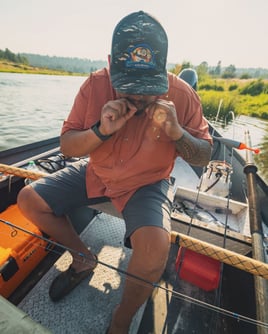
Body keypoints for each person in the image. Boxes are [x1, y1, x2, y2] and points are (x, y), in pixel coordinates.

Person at [17, 10, 212, 334]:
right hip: (98, 172)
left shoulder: (182, 94)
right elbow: (67, 145)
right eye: (128, 87)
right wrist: (100, 131)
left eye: (147, 88)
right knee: (28, 199)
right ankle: (83, 258)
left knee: (154, 249)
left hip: (149, 183)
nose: (138, 98)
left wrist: (178, 132)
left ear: (163, 69)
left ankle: (122, 318)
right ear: (111, 64)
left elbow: (204, 155)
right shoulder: (93, 85)